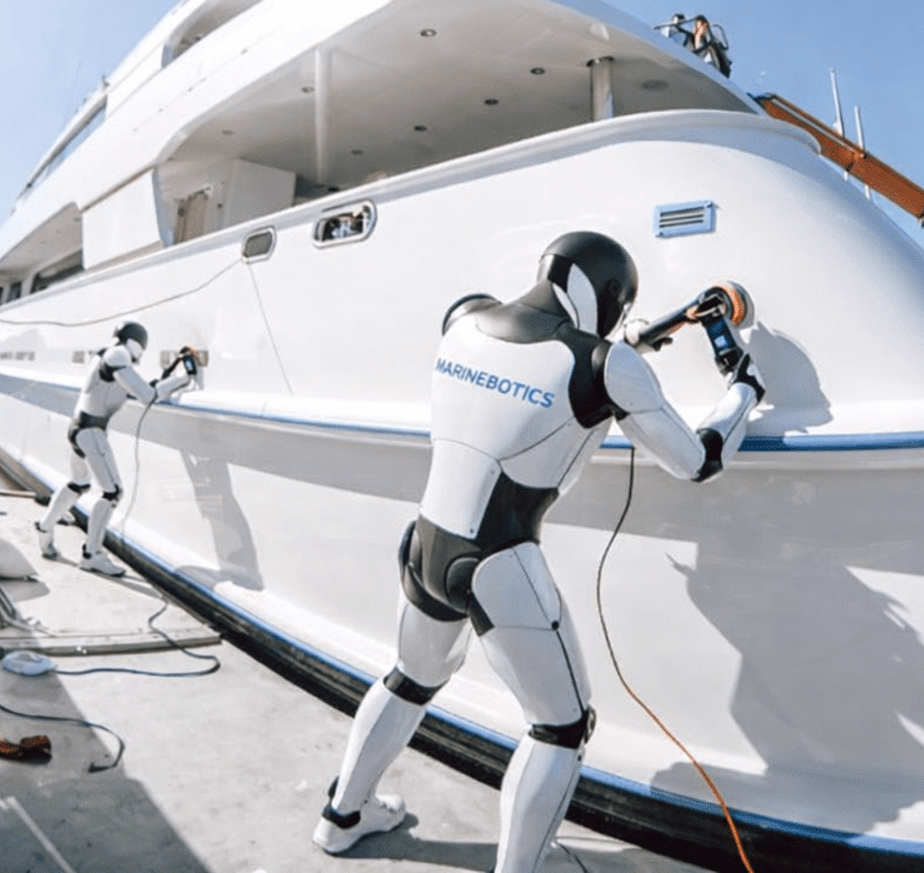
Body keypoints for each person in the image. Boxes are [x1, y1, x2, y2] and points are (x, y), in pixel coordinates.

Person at [313, 232, 765, 872]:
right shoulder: (604, 364)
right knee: (560, 727)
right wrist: (744, 389)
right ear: (610, 298)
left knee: (409, 679)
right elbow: (698, 462)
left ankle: (341, 818)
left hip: (424, 546)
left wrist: (623, 355)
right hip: (498, 563)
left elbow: (524, 375)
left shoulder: (464, 321)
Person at [36, 320, 197, 577]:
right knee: (112, 492)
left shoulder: (105, 354)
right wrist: (184, 378)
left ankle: (45, 527)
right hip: (91, 432)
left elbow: (130, 389)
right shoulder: (119, 354)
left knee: (79, 484)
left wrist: (163, 382)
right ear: (136, 343)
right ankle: (92, 555)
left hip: (78, 427)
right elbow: (147, 395)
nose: (141, 355)